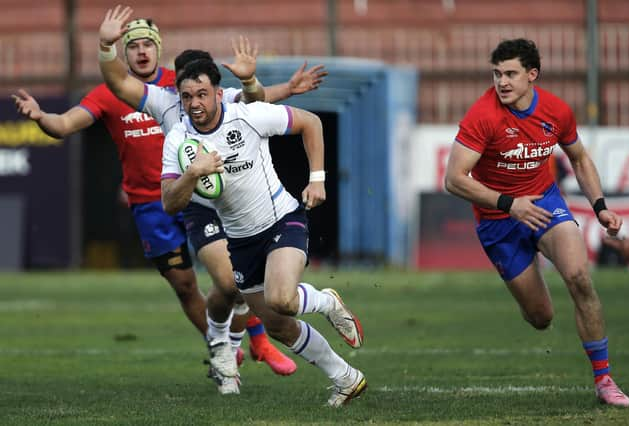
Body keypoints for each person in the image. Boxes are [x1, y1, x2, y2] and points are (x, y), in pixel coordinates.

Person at [11, 11, 300, 389]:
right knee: (184, 285)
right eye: (132, 46)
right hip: (151, 206)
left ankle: (259, 341)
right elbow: (64, 125)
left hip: (200, 198)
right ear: (125, 55)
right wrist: (39, 116)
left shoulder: (181, 87)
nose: (141, 51)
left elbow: (241, 104)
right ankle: (220, 347)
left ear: (158, 48)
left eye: (147, 44)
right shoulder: (113, 93)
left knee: (232, 280)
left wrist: (288, 90)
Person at [95, 6, 328, 392]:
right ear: (177, 86)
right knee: (227, 281)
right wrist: (106, 46)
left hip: (238, 199)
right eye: (186, 87)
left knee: (234, 288)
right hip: (199, 202)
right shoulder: (165, 102)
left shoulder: (225, 99)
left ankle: (226, 345)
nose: (193, 98)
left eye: (201, 88)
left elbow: (257, 100)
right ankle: (230, 344)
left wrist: (278, 86)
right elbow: (119, 83)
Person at [160, 58, 366, 406]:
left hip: (281, 221)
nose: (194, 103)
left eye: (202, 94)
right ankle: (346, 378)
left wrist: (317, 180)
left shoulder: (248, 116)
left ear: (218, 94)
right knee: (278, 325)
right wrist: (193, 173)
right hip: (240, 242)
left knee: (282, 299)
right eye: (187, 96)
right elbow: (170, 203)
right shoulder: (178, 140)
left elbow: (310, 122)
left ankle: (326, 301)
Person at [444, 38, 629, 407]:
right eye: (497, 74)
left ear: (532, 75)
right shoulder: (483, 115)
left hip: (545, 203)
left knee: (579, 276)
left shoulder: (556, 110)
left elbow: (578, 158)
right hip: (498, 219)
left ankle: (604, 379)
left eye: (511, 73)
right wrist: (509, 204)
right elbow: (454, 179)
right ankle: (530, 270)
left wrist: (600, 207)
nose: (502, 82)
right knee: (541, 317)